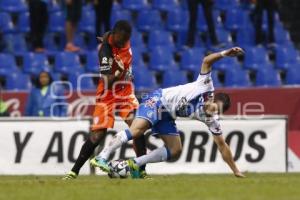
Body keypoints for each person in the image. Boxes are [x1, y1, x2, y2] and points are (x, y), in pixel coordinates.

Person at [91, 47, 246, 178]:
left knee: (175, 150)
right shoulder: (205, 85)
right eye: (213, 108)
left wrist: (236, 170)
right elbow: (207, 60)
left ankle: (135, 164)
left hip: (168, 114)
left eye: (216, 112)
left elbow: (222, 145)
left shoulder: (212, 119)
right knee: (137, 130)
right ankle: (102, 156)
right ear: (212, 99)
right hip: (159, 100)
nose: (212, 113)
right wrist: (225, 53)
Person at [62, 20, 147, 180]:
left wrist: (120, 71)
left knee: (138, 127)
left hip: (124, 91)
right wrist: (119, 72)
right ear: (114, 34)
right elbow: (108, 83)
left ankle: (141, 172)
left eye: (125, 40)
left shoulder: (124, 47)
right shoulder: (104, 51)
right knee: (97, 135)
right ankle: (74, 172)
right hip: (107, 92)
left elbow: (110, 37)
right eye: (120, 39)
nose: (123, 43)